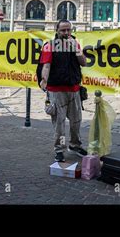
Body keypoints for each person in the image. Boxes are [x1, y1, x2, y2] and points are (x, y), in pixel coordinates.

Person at [39, 19, 88, 163]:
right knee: (59, 124)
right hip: (56, 91)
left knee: (76, 121)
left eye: (68, 30)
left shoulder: (75, 44)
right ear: (57, 31)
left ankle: (75, 145)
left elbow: (83, 62)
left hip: (74, 89)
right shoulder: (50, 46)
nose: (66, 33)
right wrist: (44, 79)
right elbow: (46, 65)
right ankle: (59, 149)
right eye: (63, 30)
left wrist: (76, 49)